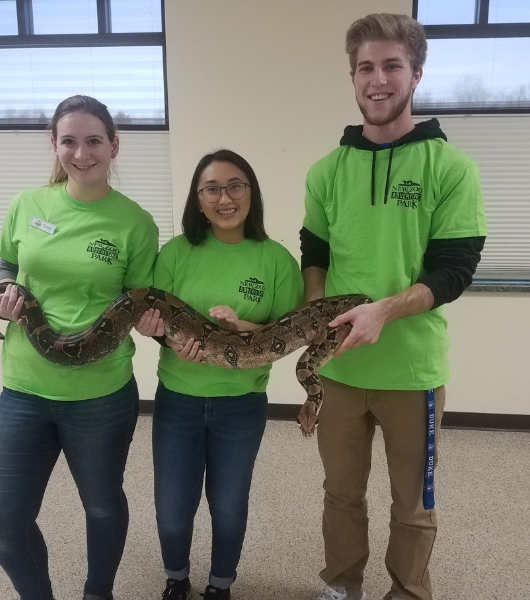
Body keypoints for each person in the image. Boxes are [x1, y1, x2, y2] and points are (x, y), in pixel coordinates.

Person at [298, 13, 486, 600]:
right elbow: (315, 254)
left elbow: (454, 271)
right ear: (353, 78)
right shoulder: (326, 171)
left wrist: (383, 311)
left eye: (391, 66)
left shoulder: (451, 169)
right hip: (340, 370)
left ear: (416, 74)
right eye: (366, 68)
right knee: (341, 492)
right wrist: (312, 319)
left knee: (414, 499)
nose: (378, 80)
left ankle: (407, 591)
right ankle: (341, 585)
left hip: (412, 371)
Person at [0, 95, 159, 600]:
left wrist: (153, 325)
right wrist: (5, 292)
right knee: (3, 521)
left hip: (101, 394)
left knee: (102, 504)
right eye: (69, 141)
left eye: (93, 141)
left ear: (114, 146)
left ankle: (96, 593)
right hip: (24, 387)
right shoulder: (27, 204)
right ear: (54, 144)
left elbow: (140, 301)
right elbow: (5, 267)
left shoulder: (135, 222)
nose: (81, 153)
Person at [136, 149, 303, 600]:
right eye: (212, 188)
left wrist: (239, 329)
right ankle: (176, 576)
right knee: (172, 507)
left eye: (235, 185)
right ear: (198, 198)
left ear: (251, 193)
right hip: (178, 398)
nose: (224, 198)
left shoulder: (276, 260)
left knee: (228, 506)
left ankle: (220, 585)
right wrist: (162, 335)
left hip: (241, 403)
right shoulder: (175, 253)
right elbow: (153, 319)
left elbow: (290, 333)